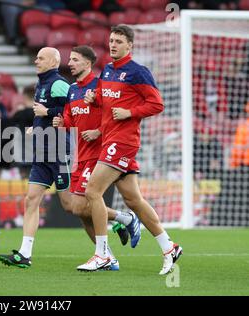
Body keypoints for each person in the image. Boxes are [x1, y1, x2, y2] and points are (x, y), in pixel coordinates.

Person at [78, 25, 182, 275]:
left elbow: (157, 104)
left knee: (92, 191)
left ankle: (102, 254)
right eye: (111, 40)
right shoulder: (108, 71)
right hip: (110, 139)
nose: (113, 44)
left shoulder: (138, 72)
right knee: (133, 200)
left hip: (123, 141)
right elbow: (107, 100)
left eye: (118, 41)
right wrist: (95, 99)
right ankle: (169, 247)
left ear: (129, 46)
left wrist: (130, 112)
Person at [52, 46, 141, 257]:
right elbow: (71, 119)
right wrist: (61, 122)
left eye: (75, 59)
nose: (70, 63)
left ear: (87, 63)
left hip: (99, 154)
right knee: (80, 212)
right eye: (70, 59)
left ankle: (124, 219)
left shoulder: (100, 86)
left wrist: (98, 132)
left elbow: (113, 118)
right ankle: (108, 254)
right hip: (79, 155)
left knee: (80, 206)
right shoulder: (73, 89)